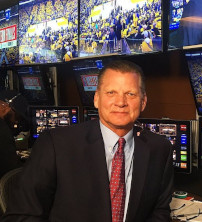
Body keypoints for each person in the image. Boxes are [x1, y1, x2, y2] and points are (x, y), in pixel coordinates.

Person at [0, 60, 173, 222]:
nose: (121, 102)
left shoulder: (159, 148)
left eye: (130, 94)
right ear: (96, 99)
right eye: (111, 92)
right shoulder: (55, 145)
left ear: (143, 102)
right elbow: (21, 216)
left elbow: (160, 211)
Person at [0, 91, 28, 179]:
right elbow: (11, 171)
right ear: (4, 106)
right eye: (17, 117)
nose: (16, 122)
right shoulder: (2, 130)